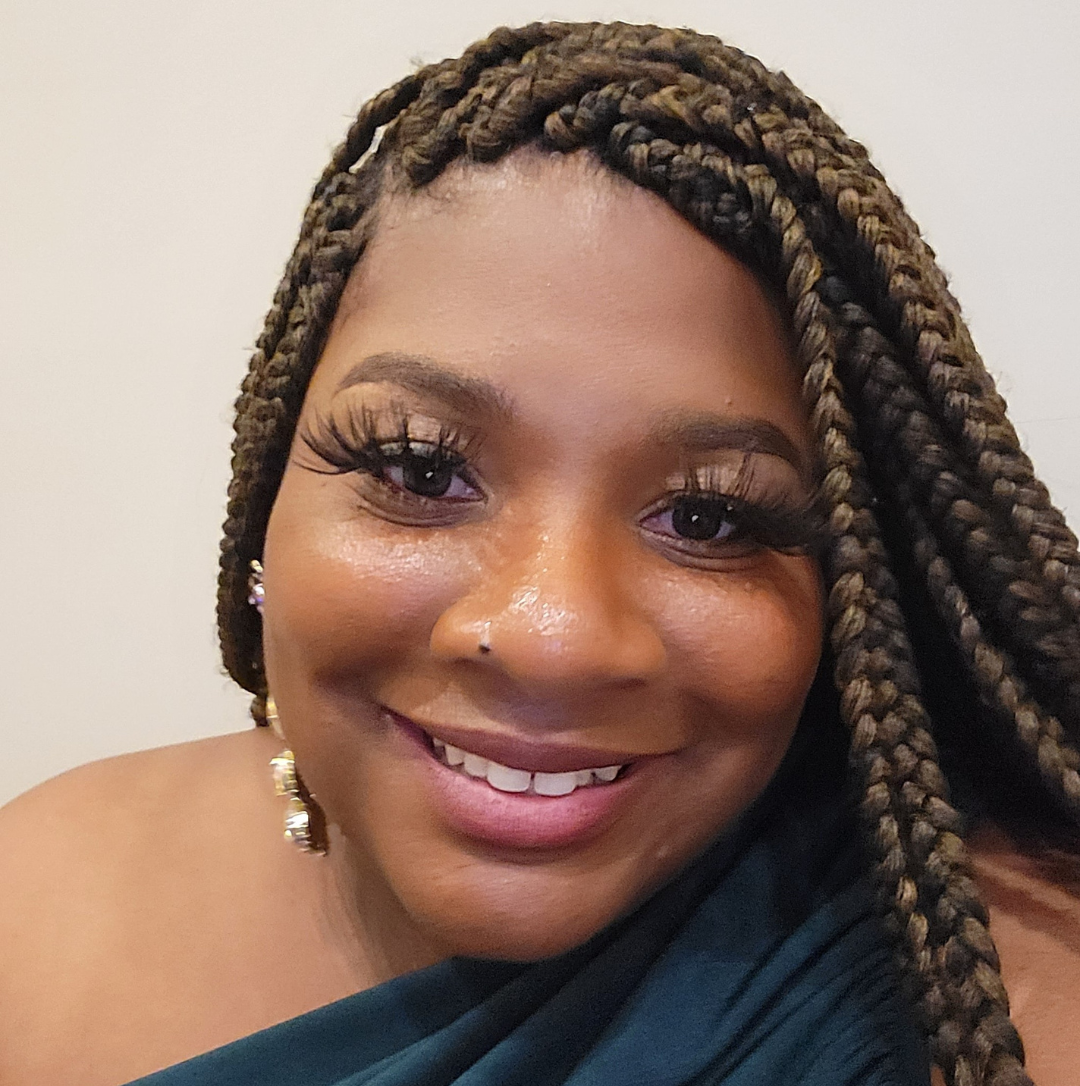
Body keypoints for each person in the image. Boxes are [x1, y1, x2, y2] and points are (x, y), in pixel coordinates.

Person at [1, 19, 1077, 1086]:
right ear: (266, 494)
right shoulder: (36, 901)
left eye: (708, 520)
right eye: (422, 471)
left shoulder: (1002, 1007)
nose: (551, 636)